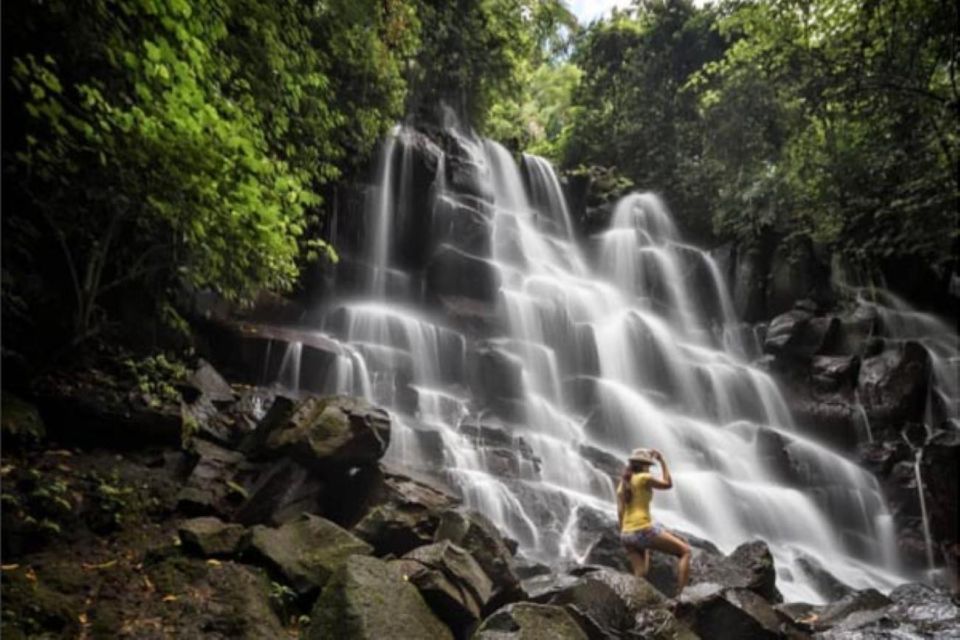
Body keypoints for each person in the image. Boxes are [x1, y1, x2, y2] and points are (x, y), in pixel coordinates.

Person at [616, 447, 691, 595]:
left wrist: (625, 534)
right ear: (643, 465)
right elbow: (668, 483)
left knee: (641, 573)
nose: (649, 469)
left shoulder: (622, 485)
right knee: (685, 552)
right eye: (648, 466)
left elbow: (620, 512)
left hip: (626, 534)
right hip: (642, 529)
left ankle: (630, 601)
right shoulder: (644, 478)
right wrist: (662, 460)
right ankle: (682, 598)